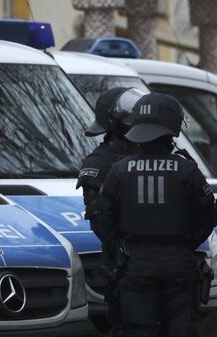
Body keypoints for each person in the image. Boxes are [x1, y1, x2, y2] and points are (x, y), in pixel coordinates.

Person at [99, 93, 217, 337]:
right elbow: (207, 217)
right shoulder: (187, 169)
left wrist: (122, 245)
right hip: (179, 261)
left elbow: (104, 219)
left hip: (136, 262)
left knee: (137, 329)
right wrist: (184, 245)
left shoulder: (120, 170)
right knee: (181, 328)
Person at [76, 87, 146, 337]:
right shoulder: (100, 163)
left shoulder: (155, 154)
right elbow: (101, 222)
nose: (137, 123)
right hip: (124, 264)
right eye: (130, 118)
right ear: (114, 123)